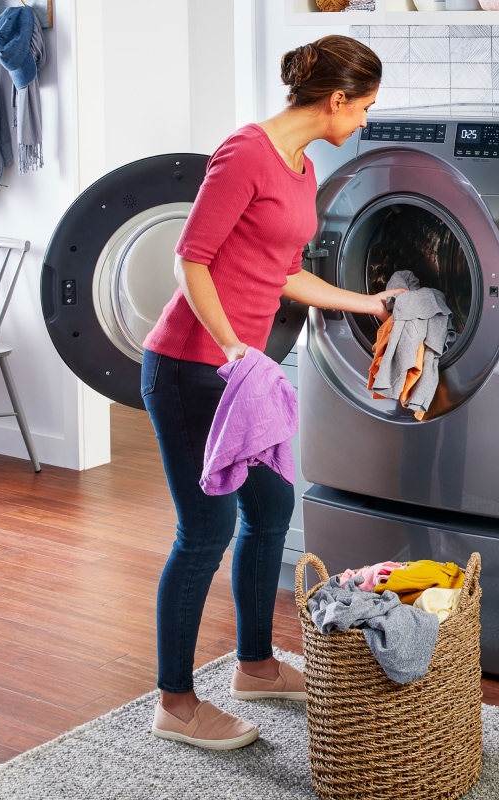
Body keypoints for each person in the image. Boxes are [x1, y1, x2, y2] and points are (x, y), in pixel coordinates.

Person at [140, 35, 397, 750]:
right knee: (205, 533)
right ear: (337, 100)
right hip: (193, 370)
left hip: (235, 374)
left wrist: (365, 303)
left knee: (272, 506)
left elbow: (282, 272)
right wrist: (230, 349)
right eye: (367, 107)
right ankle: (176, 703)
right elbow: (190, 259)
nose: (367, 122)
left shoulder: (303, 167)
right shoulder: (245, 153)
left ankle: (254, 665)